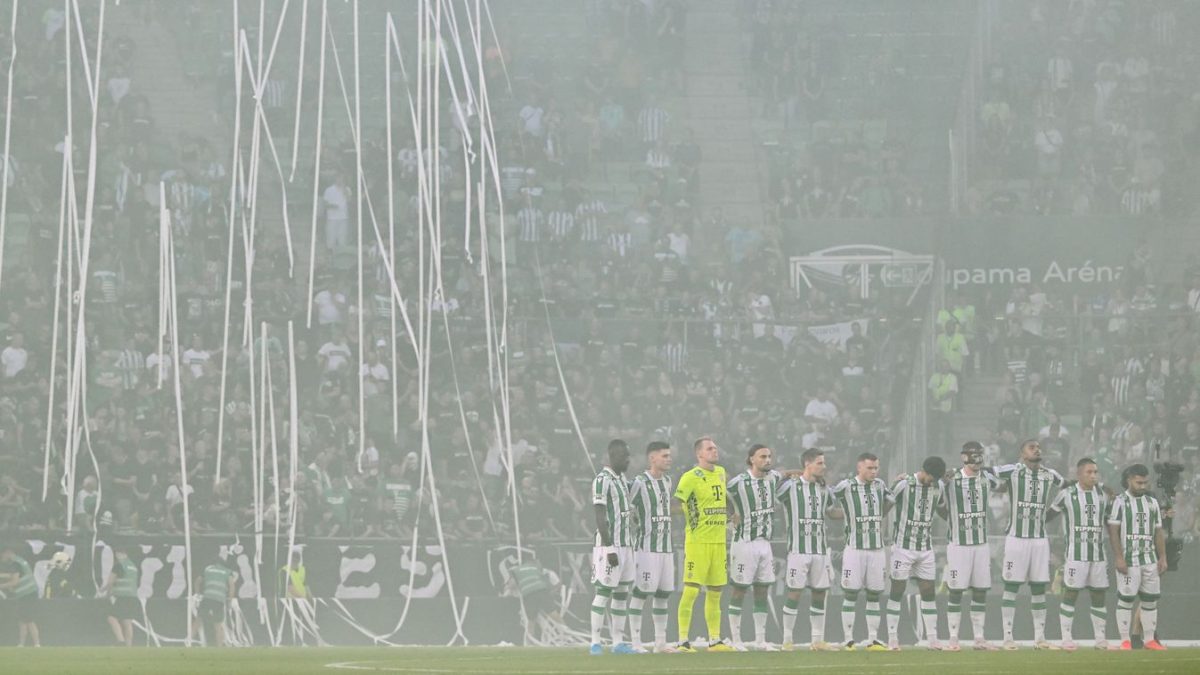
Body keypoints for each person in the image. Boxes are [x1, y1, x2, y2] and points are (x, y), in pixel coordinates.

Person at [994, 439, 1065, 649]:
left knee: (1038, 588)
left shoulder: (1050, 475)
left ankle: (1040, 638)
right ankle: (1007, 638)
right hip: (1016, 538)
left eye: (1038, 447)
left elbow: (1069, 486)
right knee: (1011, 587)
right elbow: (987, 471)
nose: (1037, 450)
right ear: (1022, 453)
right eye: (1031, 447)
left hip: (1039, 539)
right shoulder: (1014, 471)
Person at [673, 436, 734, 652]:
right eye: (710, 449)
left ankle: (715, 640)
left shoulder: (720, 473)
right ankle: (682, 641)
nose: (714, 452)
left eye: (715, 448)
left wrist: (731, 515)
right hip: (698, 542)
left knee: (715, 592)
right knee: (691, 591)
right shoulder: (689, 477)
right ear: (699, 454)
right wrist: (689, 514)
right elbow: (676, 503)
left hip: (718, 541)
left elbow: (724, 498)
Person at [776, 448, 841, 651]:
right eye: (820, 463)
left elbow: (832, 513)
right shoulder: (790, 487)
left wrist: (855, 513)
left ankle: (817, 640)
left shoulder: (825, 490)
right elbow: (772, 498)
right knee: (794, 592)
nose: (824, 466)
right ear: (807, 464)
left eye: (824, 462)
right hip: (798, 549)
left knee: (819, 593)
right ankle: (787, 640)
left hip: (820, 550)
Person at [938, 441, 1000, 651]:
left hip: (981, 544)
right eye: (973, 455)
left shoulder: (988, 477)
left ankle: (979, 638)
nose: (977, 459)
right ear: (964, 457)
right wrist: (951, 520)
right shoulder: (951, 478)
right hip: (958, 545)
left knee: (980, 591)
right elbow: (937, 500)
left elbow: (1006, 483)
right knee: (956, 591)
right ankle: (953, 638)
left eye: (980, 455)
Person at [831, 452, 894, 651]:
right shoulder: (846, 486)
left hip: (876, 549)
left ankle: (872, 639)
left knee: (874, 594)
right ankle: (848, 639)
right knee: (851, 593)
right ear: (859, 467)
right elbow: (828, 498)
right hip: (854, 549)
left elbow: (889, 502)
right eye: (870, 468)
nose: (874, 472)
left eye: (876, 468)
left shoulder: (880, 486)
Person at [1047, 458, 1111, 650]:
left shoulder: (1103, 494)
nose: (1093, 476)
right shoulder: (1066, 494)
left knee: (1099, 595)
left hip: (1099, 554)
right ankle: (1066, 638)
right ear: (1079, 474)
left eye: (1095, 472)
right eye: (1089, 472)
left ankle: (1100, 639)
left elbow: (1111, 521)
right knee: (1071, 593)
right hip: (1075, 554)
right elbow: (1048, 516)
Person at [886, 456, 946, 650]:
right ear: (923, 470)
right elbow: (885, 507)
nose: (933, 482)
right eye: (931, 477)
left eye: (936, 479)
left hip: (925, 548)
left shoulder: (939, 487)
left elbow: (942, 510)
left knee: (928, 591)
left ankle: (932, 638)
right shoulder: (904, 484)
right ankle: (893, 638)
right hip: (903, 547)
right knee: (897, 590)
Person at [726, 444, 783, 651]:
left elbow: (786, 473)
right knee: (739, 590)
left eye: (769, 456)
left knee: (762, 590)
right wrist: (730, 517)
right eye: (763, 457)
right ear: (751, 459)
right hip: (744, 543)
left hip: (765, 544)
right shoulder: (738, 483)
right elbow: (721, 497)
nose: (768, 460)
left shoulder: (773, 478)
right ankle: (736, 640)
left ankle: (760, 640)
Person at [1108, 464, 1168, 651]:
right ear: (1129, 480)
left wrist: (1163, 557)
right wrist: (1118, 557)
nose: (1143, 486)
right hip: (1129, 559)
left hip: (1149, 558)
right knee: (1126, 599)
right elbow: (1113, 531)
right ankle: (1125, 640)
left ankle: (1149, 640)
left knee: (1150, 600)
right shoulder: (1120, 501)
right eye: (1139, 482)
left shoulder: (1152, 502)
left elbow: (1158, 532)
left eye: (1145, 482)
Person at [588, 439, 637, 655]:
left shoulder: (621, 479)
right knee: (604, 592)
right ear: (613, 456)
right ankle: (595, 642)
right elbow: (599, 515)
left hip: (627, 545)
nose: (627, 460)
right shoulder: (602, 480)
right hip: (610, 545)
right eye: (624, 456)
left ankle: (618, 642)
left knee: (621, 593)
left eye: (628, 456)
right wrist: (609, 548)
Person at [628, 441, 676, 653]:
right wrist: (634, 525)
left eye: (669, 455)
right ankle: (636, 642)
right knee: (640, 594)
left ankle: (660, 642)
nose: (669, 459)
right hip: (646, 548)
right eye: (664, 456)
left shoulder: (667, 481)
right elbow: (625, 508)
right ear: (652, 458)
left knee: (663, 595)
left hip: (666, 548)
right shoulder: (638, 482)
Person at [0, 547, 40, 647]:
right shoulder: (20, 561)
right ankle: (21, 644)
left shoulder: (15, 564)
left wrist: (2, 586)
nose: (1, 558)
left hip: (27, 594)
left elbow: (14, 581)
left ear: (7, 553)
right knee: (22, 619)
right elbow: (12, 575)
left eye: (1, 555)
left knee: (29, 619)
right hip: (27, 594)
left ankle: (37, 644)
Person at [102, 545, 140, 646]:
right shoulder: (133, 566)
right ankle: (129, 647)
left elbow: (110, 582)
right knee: (127, 622)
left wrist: (107, 594)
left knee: (111, 618)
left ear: (118, 554)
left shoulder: (118, 565)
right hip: (133, 597)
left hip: (122, 597)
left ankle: (121, 641)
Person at [195, 556, 237, 647]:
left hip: (207, 597)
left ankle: (188, 642)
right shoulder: (227, 571)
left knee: (198, 620)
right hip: (219, 599)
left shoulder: (208, 569)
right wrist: (229, 601)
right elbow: (232, 587)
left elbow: (198, 580)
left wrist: (197, 593)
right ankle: (219, 646)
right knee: (218, 624)